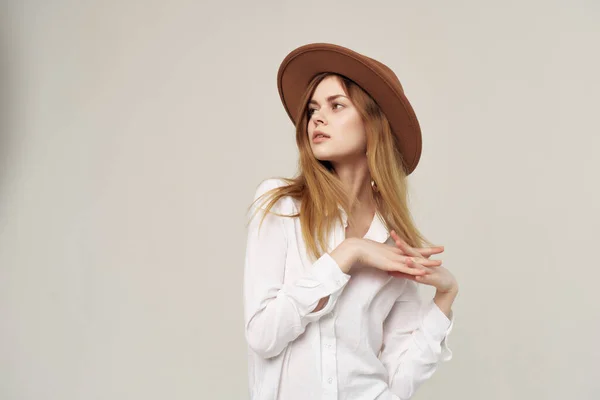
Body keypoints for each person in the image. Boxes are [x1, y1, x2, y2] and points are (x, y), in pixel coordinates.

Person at [243, 43, 459, 400]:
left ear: (374, 124)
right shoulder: (283, 206)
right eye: (312, 109)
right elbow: (263, 336)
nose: (317, 118)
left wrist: (445, 297)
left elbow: (398, 383)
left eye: (336, 105)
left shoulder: (393, 244)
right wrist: (348, 253)